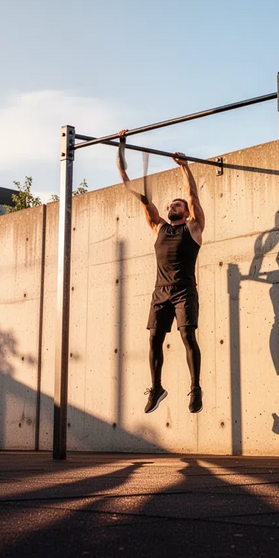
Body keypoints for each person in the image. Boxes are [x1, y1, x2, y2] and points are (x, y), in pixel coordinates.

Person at [116, 130, 205, 414]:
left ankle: (195, 388)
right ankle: (156, 388)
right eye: (170, 205)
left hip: (184, 292)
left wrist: (185, 168)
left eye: (176, 205)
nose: (172, 206)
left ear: (186, 212)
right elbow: (139, 195)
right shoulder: (159, 227)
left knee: (187, 337)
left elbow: (192, 196)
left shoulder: (193, 228)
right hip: (160, 293)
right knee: (154, 338)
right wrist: (121, 151)